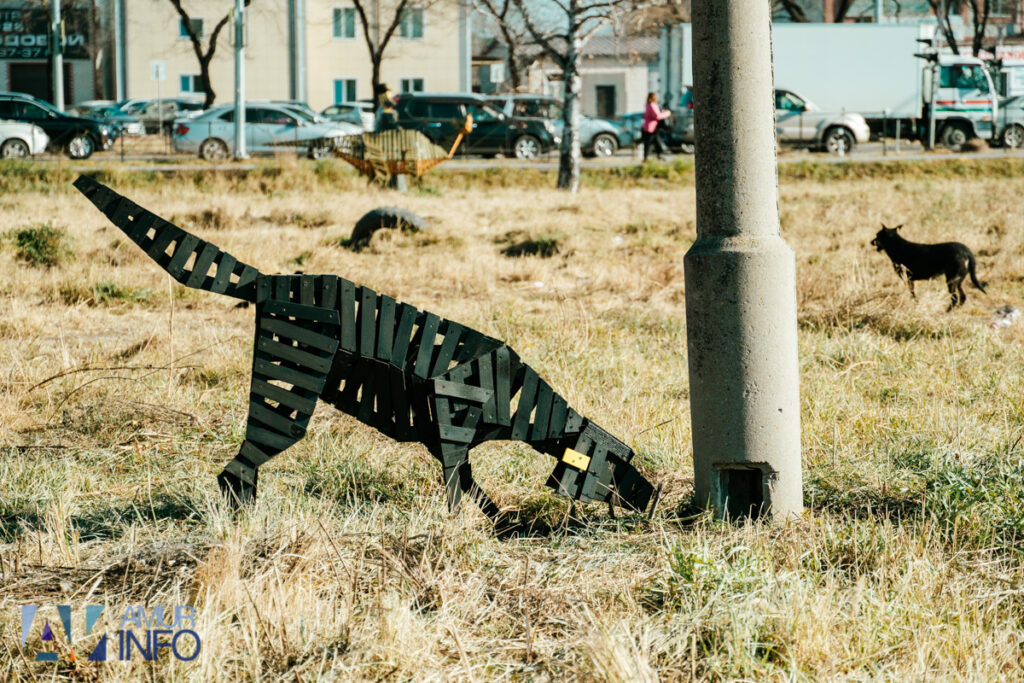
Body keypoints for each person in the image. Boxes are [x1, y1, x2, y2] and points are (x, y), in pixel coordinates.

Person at [642, 92, 671, 162]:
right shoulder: (652, 105)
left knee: (655, 142)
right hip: (651, 128)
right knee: (650, 143)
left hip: (649, 127)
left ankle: (655, 156)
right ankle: (649, 157)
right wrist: (667, 113)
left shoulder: (648, 105)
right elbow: (657, 116)